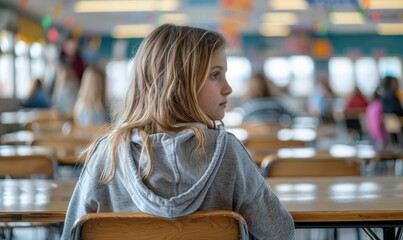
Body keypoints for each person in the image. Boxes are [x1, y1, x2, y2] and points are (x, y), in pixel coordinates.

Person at [61, 24, 295, 240]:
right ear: (179, 85)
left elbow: (71, 234)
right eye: (215, 74)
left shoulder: (108, 154)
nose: (228, 87)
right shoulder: (228, 153)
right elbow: (280, 232)